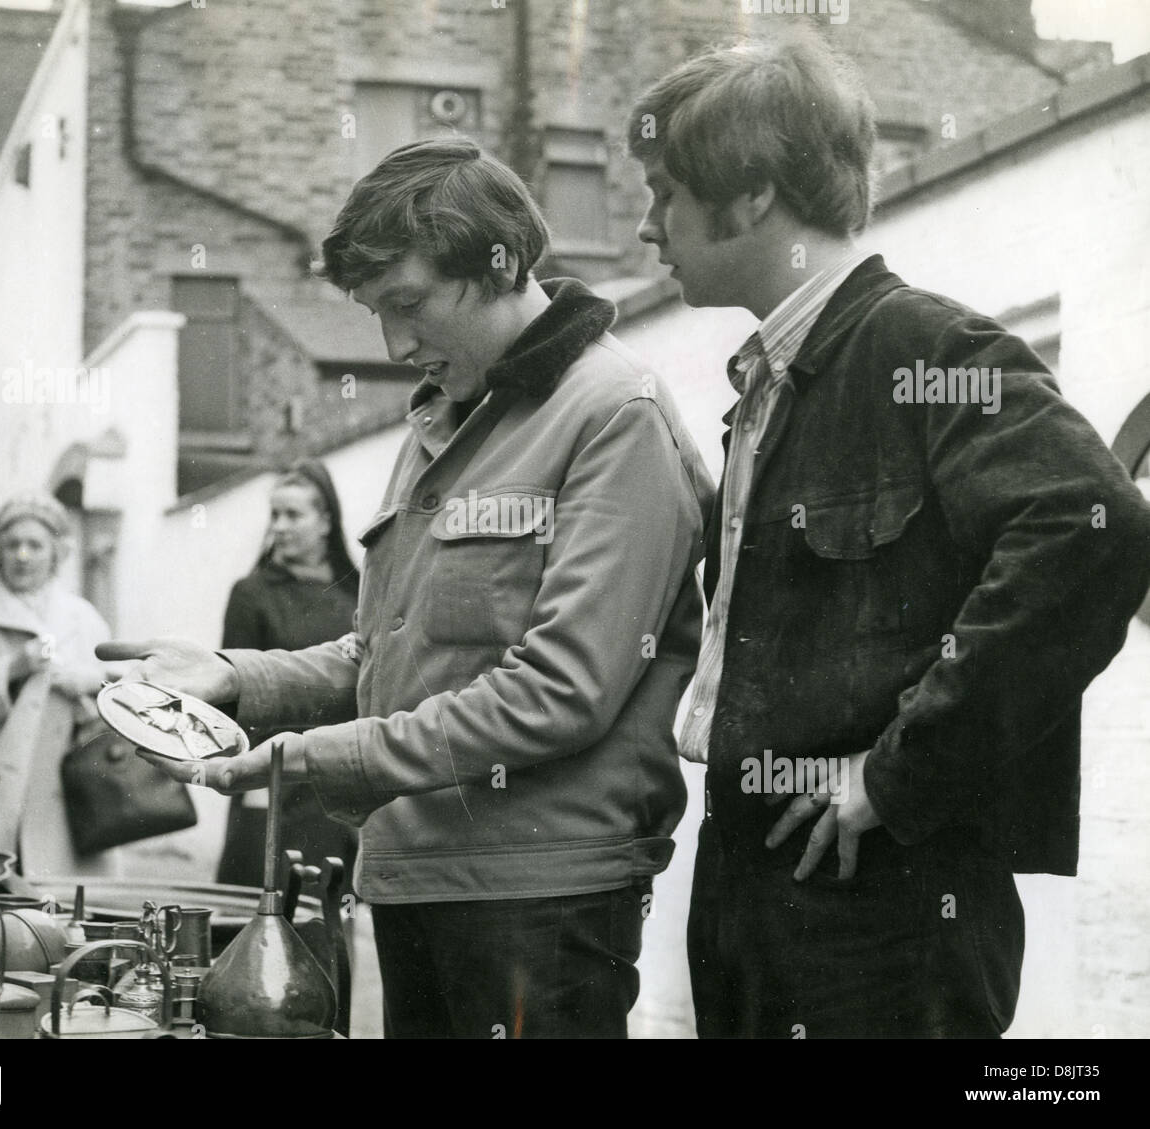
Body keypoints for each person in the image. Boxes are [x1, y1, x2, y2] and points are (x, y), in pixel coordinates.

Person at [99, 137, 714, 1038]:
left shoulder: (613, 416)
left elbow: (561, 693)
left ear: (500, 262)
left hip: (540, 900)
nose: (394, 342)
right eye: (376, 311)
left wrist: (308, 759)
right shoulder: (442, 419)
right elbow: (387, 652)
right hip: (416, 879)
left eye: (409, 302)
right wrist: (237, 677)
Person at [627, 31, 1150, 1038]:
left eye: (665, 191)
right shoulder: (769, 385)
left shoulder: (925, 347)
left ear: (751, 196)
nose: (650, 227)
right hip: (755, 877)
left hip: (881, 913)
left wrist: (895, 774)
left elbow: (1093, 532)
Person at [0, 493, 116, 878]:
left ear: (56, 553)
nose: (23, 555)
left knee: (70, 910)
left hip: (71, 798)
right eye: (12, 544)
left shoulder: (82, 618)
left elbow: (118, 691)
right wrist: (10, 669)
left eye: (35, 545)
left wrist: (89, 682)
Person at [216, 460, 359, 889]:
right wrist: (251, 782)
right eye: (274, 514)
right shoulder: (252, 594)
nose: (279, 526)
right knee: (262, 915)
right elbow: (232, 697)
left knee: (326, 918)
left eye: (293, 515)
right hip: (271, 779)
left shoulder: (356, 592)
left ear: (326, 522)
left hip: (333, 779)